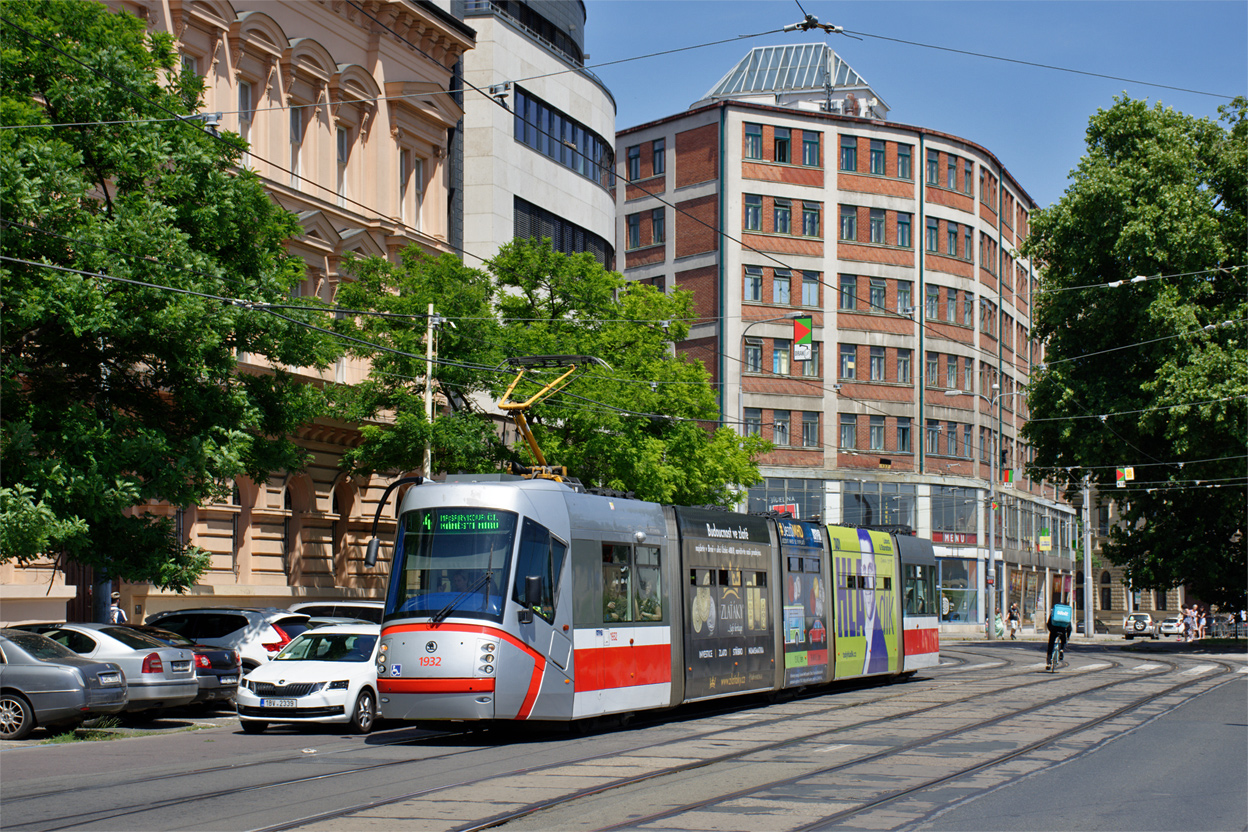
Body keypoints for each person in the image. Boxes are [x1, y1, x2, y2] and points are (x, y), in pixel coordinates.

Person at [1046, 601, 1073, 669]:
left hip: (1054, 630)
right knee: (1063, 640)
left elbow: (1048, 623)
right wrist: (1068, 637)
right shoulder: (1066, 613)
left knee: (1050, 645)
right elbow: (1069, 627)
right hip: (1062, 630)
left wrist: (1051, 630)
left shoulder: (1054, 613)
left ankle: (1049, 662)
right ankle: (1061, 650)